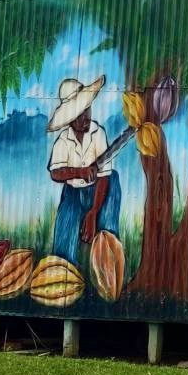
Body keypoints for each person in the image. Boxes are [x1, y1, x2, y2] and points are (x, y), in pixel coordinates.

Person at [47, 75, 121, 262]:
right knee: (64, 241)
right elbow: (56, 172)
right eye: (78, 114)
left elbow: (103, 176)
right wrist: (80, 172)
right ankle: (64, 272)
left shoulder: (98, 134)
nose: (85, 117)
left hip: (100, 189)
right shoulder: (63, 140)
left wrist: (93, 212)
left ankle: (108, 268)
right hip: (72, 192)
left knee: (107, 231)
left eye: (86, 109)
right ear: (69, 120)